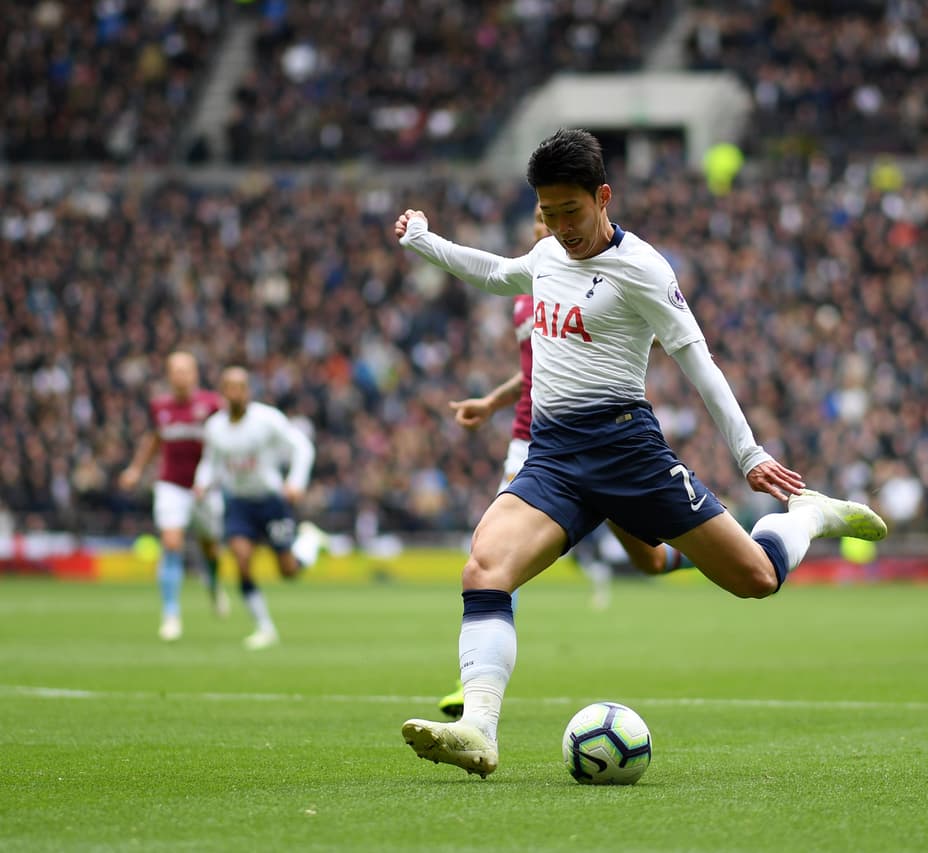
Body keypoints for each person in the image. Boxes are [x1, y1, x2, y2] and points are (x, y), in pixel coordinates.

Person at [394, 128, 887, 778]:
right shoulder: (546, 255)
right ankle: (479, 729)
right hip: (555, 457)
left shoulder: (644, 268)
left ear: (603, 196)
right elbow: (492, 272)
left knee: (756, 579)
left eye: (571, 211)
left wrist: (749, 455)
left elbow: (699, 362)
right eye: (547, 212)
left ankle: (808, 516)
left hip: (628, 453)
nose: (560, 227)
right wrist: (423, 239)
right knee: (485, 569)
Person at [434, 207, 690, 720]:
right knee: (492, 559)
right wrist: (492, 402)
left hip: (596, 442)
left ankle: (697, 551)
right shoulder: (526, 288)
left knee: (649, 561)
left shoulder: (596, 279)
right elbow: (533, 369)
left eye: (551, 215)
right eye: (538, 215)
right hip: (532, 443)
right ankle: (477, 685)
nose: (544, 224)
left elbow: (652, 331)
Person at [193, 367, 326, 650]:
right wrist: (202, 483)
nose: (234, 393)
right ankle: (264, 628)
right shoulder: (215, 427)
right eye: (229, 387)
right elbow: (210, 462)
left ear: (248, 391)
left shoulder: (267, 419)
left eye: (239, 387)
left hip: (270, 500)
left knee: (288, 571)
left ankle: (310, 543)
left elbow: (302, 447)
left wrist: (295, 482)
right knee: (241, 560)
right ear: (222, 392)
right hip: (238, 502)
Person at [118, 351, 229, 641]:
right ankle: (171, 614)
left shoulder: (212, 405)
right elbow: (154, 439)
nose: (181, 376)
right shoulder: (159, 406)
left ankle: (214, 585)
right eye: (176, 371)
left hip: (206, 488)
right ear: (168, 375)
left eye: (185, 370)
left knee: (211, 548)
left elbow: (225, 443)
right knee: (171, 543)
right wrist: (136, 469)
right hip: (171, 485)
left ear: (195, 374)